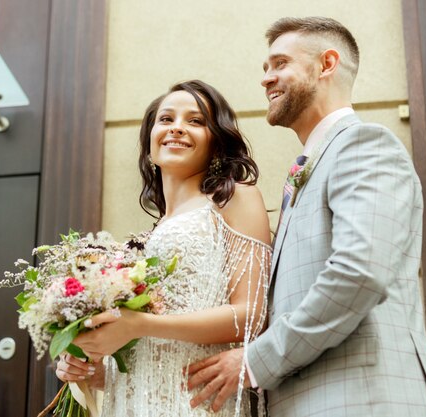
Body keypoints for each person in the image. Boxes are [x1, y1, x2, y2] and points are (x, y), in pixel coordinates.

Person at [186, 17, 426, 417]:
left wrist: (257, 361)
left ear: (326, 64)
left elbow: (358, 273)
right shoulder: (308, 169)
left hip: (362, 401)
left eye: (279, 64)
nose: (266, 79)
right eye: (265, 69)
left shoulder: (364, 145)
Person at [55, 80, 272, 417]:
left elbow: (251, 316)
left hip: (197, 403)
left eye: (196, 121)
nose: (178, 128)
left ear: (217, 142)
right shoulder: (145, 240)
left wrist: (139, 324)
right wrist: (93, 368)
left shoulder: (235, 199)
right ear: (150, 144)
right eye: (166, 119)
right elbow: (145, 351)